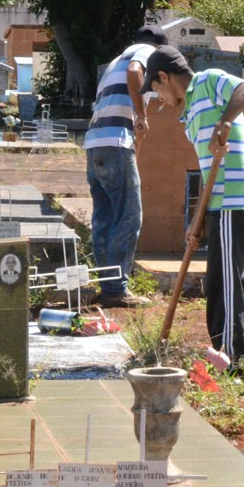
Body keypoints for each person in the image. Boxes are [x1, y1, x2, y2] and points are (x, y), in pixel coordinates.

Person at [139, 45, 244, 364]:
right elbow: (207, 170)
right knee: (227, 277)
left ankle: (232, 358)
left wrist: (224, 123)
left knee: (222, 282)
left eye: (155, 89)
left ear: (164, 77)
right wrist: (199, 221)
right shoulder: (190, 113)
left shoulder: (208, 81)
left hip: (233, 198)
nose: (159, 98)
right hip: (222, 202)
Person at [83, 25, 168, 308]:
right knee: (129, 217)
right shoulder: (144, 52)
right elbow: (136, 71)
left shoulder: (112, 64)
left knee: (105, 218)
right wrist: (142, 115)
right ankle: (117, 289)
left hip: (95, 145)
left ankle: (108, 287)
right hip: (116, 145)